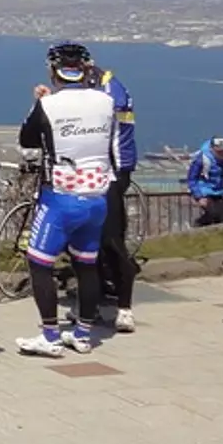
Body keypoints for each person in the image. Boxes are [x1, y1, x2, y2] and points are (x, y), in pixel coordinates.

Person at [15, 44, 117, 358]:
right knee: (86, 264)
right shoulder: (107, 101)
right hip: (97, 195)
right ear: (87, 70)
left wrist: (39, 103)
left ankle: (50, 335)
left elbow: (28, 139)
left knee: (39, 262)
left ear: (53, 71)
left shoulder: (49, 103)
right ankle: (83, 333)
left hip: (60, 196)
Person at [88, 55, 141, 332]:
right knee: (90, 245)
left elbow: (116, 136)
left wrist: (118, 176)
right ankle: (94, 305)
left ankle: (124, 307)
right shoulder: (100, 88)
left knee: (111, 241)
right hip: (97, 172)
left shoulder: (110, 91)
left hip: (111, 173)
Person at [187, 137, 223, 227]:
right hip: (204, 191)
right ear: (212, 149)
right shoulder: (201, 159)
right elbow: (192, 179)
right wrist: (198, 196)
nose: (221, 154)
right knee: (211, 214)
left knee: (220, 219)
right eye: (219, 151)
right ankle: (197, 226)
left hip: (218, 191)